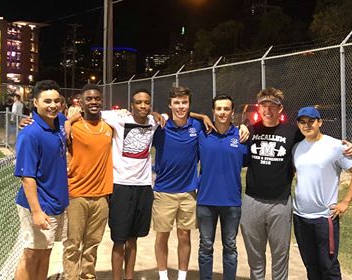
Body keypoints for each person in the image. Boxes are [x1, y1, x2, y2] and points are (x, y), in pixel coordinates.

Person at [240, 87, 352, 280]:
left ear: (280, 109)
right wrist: (242, 126)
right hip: (252, 200)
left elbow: (316, 137)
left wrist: (345, 145)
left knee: (280, 256)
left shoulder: (293, 132)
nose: (267, 110)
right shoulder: (250, 131)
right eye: (263, 106)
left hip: (281, 202)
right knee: (255, 257)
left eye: (272, 106)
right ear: (258, 108)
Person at [292, 107, 352, 280]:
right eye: (302, 122)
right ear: (298, 124)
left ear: (320, 122)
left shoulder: (335, 146)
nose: (307, 125)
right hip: (300, 216)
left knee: (328, 267)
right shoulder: (296, 148)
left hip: (324, 218)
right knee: (311, 265)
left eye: (311, 121)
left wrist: (345, 202)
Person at [101, 89, 159, 280]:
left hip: (143, 187)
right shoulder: (118, 118)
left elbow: (180, 112)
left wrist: (202, 116)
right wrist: (68, 121)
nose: (143, 106)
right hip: (121, 187)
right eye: (139, 102)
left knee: (133, 239)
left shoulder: (154, 121)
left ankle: (129, 277)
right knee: (119, 240)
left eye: (147, 103)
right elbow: (87, 111)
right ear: (131, 105)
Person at [152, 86, 209, 280]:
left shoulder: (197, 126)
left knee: (185, 235)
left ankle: (182, 276)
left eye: (184, 102)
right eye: (176, 102)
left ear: (189, 104)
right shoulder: (161, 125)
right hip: (163, 191)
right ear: (170, 104)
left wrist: (202, 117)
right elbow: (145, 116)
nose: (180, 106)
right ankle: (163, 276)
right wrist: (154, 113)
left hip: (188, 192)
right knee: (162, 235)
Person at [14, 80, 69, 280]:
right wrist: (37, 212)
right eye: (47, 101)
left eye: (57, 101)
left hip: (56, 203)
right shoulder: (30, 134)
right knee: (31, 255)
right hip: (39, 205)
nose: (53, 105)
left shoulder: (60, 122)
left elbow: (81, 115)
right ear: (35, 103)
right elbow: (27, 177)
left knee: (45, 253)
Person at [62, 84, 113, 279]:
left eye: (97, 98)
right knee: (73, 243)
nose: (94, 102)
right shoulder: (72, 127)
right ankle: (71, 277)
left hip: (101, 195)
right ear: (81, 102)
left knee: (92, 243)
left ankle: (88, 276)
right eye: (89, 99)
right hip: (76, 194)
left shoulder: (109, 126)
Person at [197, 94, 249, 280]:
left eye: (226, 109)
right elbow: (180, 115)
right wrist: (201, 117)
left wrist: (245, 126)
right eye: (218, 109)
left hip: (232, 201)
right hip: (206, 200)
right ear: (212, 111)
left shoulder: (241, 136)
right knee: (205, 247)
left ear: (232, 112)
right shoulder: (203, 133)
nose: (222, 112)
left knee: (230, 246)